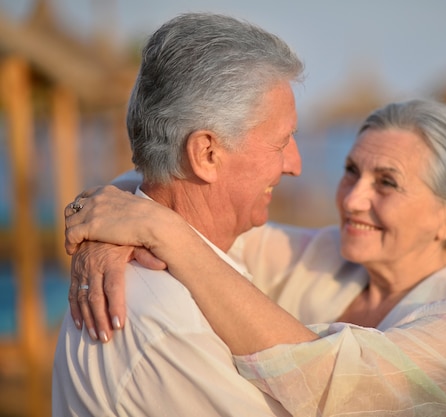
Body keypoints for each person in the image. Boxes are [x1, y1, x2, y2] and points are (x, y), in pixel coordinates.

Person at [65, 99, 446, 416]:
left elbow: (344, 389)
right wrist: (111, 222)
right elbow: (187, 206)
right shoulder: (321, 256)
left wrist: (155, 229)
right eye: (350, 172)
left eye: (387, 182)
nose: (352, 199)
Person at [52, 12, 305, 416]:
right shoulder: (169, 325)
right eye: (281, 142)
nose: (295, 164)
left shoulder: (190, 274)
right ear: (207, 154)